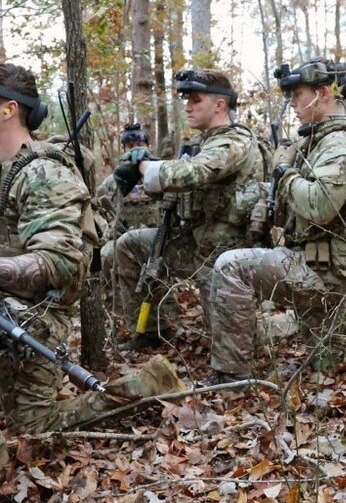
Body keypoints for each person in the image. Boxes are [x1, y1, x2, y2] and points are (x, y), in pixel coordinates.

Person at [0, 63, 180, 503]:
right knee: (37, 424)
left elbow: (63, 264)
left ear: (8, 110)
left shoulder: (44, 173)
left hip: (34, 318)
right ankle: (146, 385)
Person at [203, 57, 346, 383]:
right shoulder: (315, 142)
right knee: (328, 363)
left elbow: (320, 205)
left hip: (331, 275)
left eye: (297, 94)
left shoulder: (341, 143)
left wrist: (284, 175)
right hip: (317, 265)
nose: (292, 104)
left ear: (324, 93)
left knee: (231, 266)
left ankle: (230, 377)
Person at [112, 69, 268, 350]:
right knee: (131, 245)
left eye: (195, 100)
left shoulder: (234, 141)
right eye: (187, 100)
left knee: (231, 345)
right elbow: (180, 179)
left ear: (219, 105)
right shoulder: (201, 143)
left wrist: (144, 166)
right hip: (195, 243)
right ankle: (152, 330)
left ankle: (280, 327)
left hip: (226, 254)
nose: (188, 106)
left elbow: (193, 173)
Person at [95, 124, 162, 271]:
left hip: (156, 237)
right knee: (106, 255)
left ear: (148, 146)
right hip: (123, 240)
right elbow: (99, 214)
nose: (136, 149)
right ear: (124, 150)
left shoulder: (160, 175)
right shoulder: (111, 183)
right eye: (130, 146)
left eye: (140, 145)